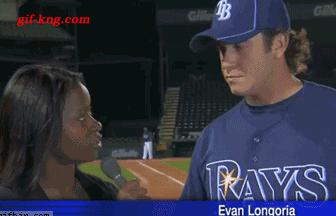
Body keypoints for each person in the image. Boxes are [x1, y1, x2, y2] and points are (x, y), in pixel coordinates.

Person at [181, 0, 336, 201]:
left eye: (239, 46)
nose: (227, 61)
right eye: (222, 49)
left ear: (278, 44)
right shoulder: (212, 137)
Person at [0, 64, 147, 199]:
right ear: (43, 128)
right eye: (81, 117)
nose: (97, 125)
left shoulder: (100, 191)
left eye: (90, 113)